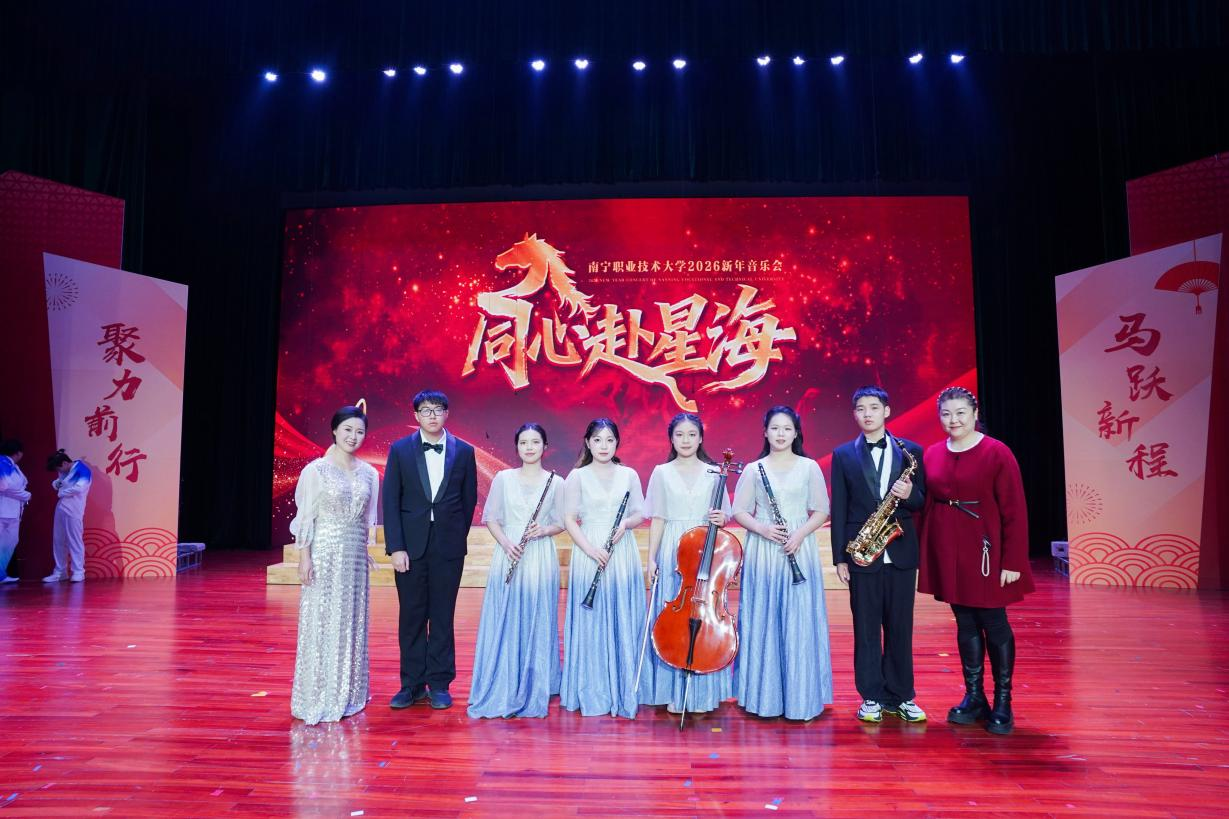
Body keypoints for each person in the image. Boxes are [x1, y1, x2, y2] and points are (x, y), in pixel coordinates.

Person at [919, 386, 1034, 735]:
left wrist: (1012, 560)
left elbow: (1014, 510)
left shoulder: (996, 452)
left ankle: (1003, 701)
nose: (953, 420)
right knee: (965, 622)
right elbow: (926, 503)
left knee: (994, 622)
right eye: (946, 414)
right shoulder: (933, 454)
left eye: (960, 413)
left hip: (987, 550)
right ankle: (974, 697)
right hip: (949, 551)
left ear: (974, 414)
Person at [830, 386, 927, 724]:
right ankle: (871, 696)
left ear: (887, 410)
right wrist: (840, 557)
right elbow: (839, 507)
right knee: (866, 628)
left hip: (900, 552)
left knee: (901, 627)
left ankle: (902, 695)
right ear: (854, 414)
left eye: (874, 407)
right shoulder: (843, 454)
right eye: (861, 408)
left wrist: (910, 493)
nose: (867, 413)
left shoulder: (911, 451)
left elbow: (922, 501)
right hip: (862, 553)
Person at [731, 405, 833, 720]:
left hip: (798, 547)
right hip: (764, 550)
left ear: (796, 433)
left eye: (787, 428)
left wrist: (799, 535)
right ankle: (764, 698)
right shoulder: (754, 469)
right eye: (775, 428)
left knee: (799, 620)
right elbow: (739, 511)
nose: (780, 434)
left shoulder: (809, 467)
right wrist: (762, 529)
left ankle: (801, 699)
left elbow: (821, 510)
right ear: (765, 432)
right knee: (764, 618)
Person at [384, 390, 478, 711]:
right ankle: (411, 684)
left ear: (447, 413)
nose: (432, 415)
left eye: (438, 409)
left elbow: (468, 500)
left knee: (442, 616)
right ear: (416, 416)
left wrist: (455, 537)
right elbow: (390, 501)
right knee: (411, 616)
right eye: (425, 410)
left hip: (448, 546)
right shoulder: (400, 450)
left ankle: (439, 684)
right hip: (410, 547)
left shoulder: (464, 451)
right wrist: (396, 547)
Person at [289, 404, 380, 725]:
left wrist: (365, 550)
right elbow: (306, 517)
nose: (353, 436)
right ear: (334, 431)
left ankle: (349, 690)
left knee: (352, 621)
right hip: (325, 553)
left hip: (355, 558)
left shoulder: (370, 473)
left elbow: (367, 519)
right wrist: (304, 557)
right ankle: (318, 694)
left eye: (359, 432)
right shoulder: (316, 470)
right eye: (347, 430)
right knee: (322, 619)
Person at [468, 423, 565, 719]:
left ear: (545, 447)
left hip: (540, 556)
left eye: (535, 442)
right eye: (524, 442)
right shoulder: (503, 478)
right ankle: (505, 678)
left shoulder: (556, 482)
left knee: (539, 616)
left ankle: (537, 681)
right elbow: (491, 518)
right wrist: (506, 543)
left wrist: (544, 529)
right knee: (506, 615)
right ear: (517, 447)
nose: (529, 447)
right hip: (509, 552)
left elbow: (562, 522)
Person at [639, 413, 732, 714]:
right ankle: (672, 693)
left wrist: (720, 518)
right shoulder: (661, 472)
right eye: (679, 435)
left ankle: (701, 696)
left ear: (701, 438)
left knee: (704, 617)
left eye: (692, 434)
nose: (686, 440)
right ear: (671, 438)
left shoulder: (715, 472)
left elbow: (725, 515)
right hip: (674, 550)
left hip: (705, 548)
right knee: (674, 620)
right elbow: (658, 518)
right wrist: (651, 558)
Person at [560, 418, 646, 718]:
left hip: (621, 549)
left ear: (617, 443)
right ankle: (592, 688)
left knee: (622, 614)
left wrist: (626, 524)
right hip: (590, 549)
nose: (604, 446)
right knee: (592, 620)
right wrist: (589, 549)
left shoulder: (629, 474)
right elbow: (569, 518)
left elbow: (640, 512)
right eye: (597, 440)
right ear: (588, 442)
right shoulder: (577, 476)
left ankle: (624, 689)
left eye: (610, 440)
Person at [44, 450, 91, 582]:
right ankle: (60, 571)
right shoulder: (65, 470)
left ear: (65, 463)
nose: (58, 471)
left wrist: (62, 492)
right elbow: (57, 482)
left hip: (74, 508)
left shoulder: (83, 470)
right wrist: (56, 484)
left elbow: (80, 488)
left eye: (58, 468)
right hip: (61, 506)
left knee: (74, 540)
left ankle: (78, 571)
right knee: (58, 540)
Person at [0, 439, 31, 582]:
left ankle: (1, 573)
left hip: (13, 510)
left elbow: (21, 483)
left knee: (11, 541)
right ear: (18, 453)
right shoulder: (2, 463)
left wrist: (23, 495)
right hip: (3, 509)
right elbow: (3, 486)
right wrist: (25, 495)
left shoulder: (14, 466)